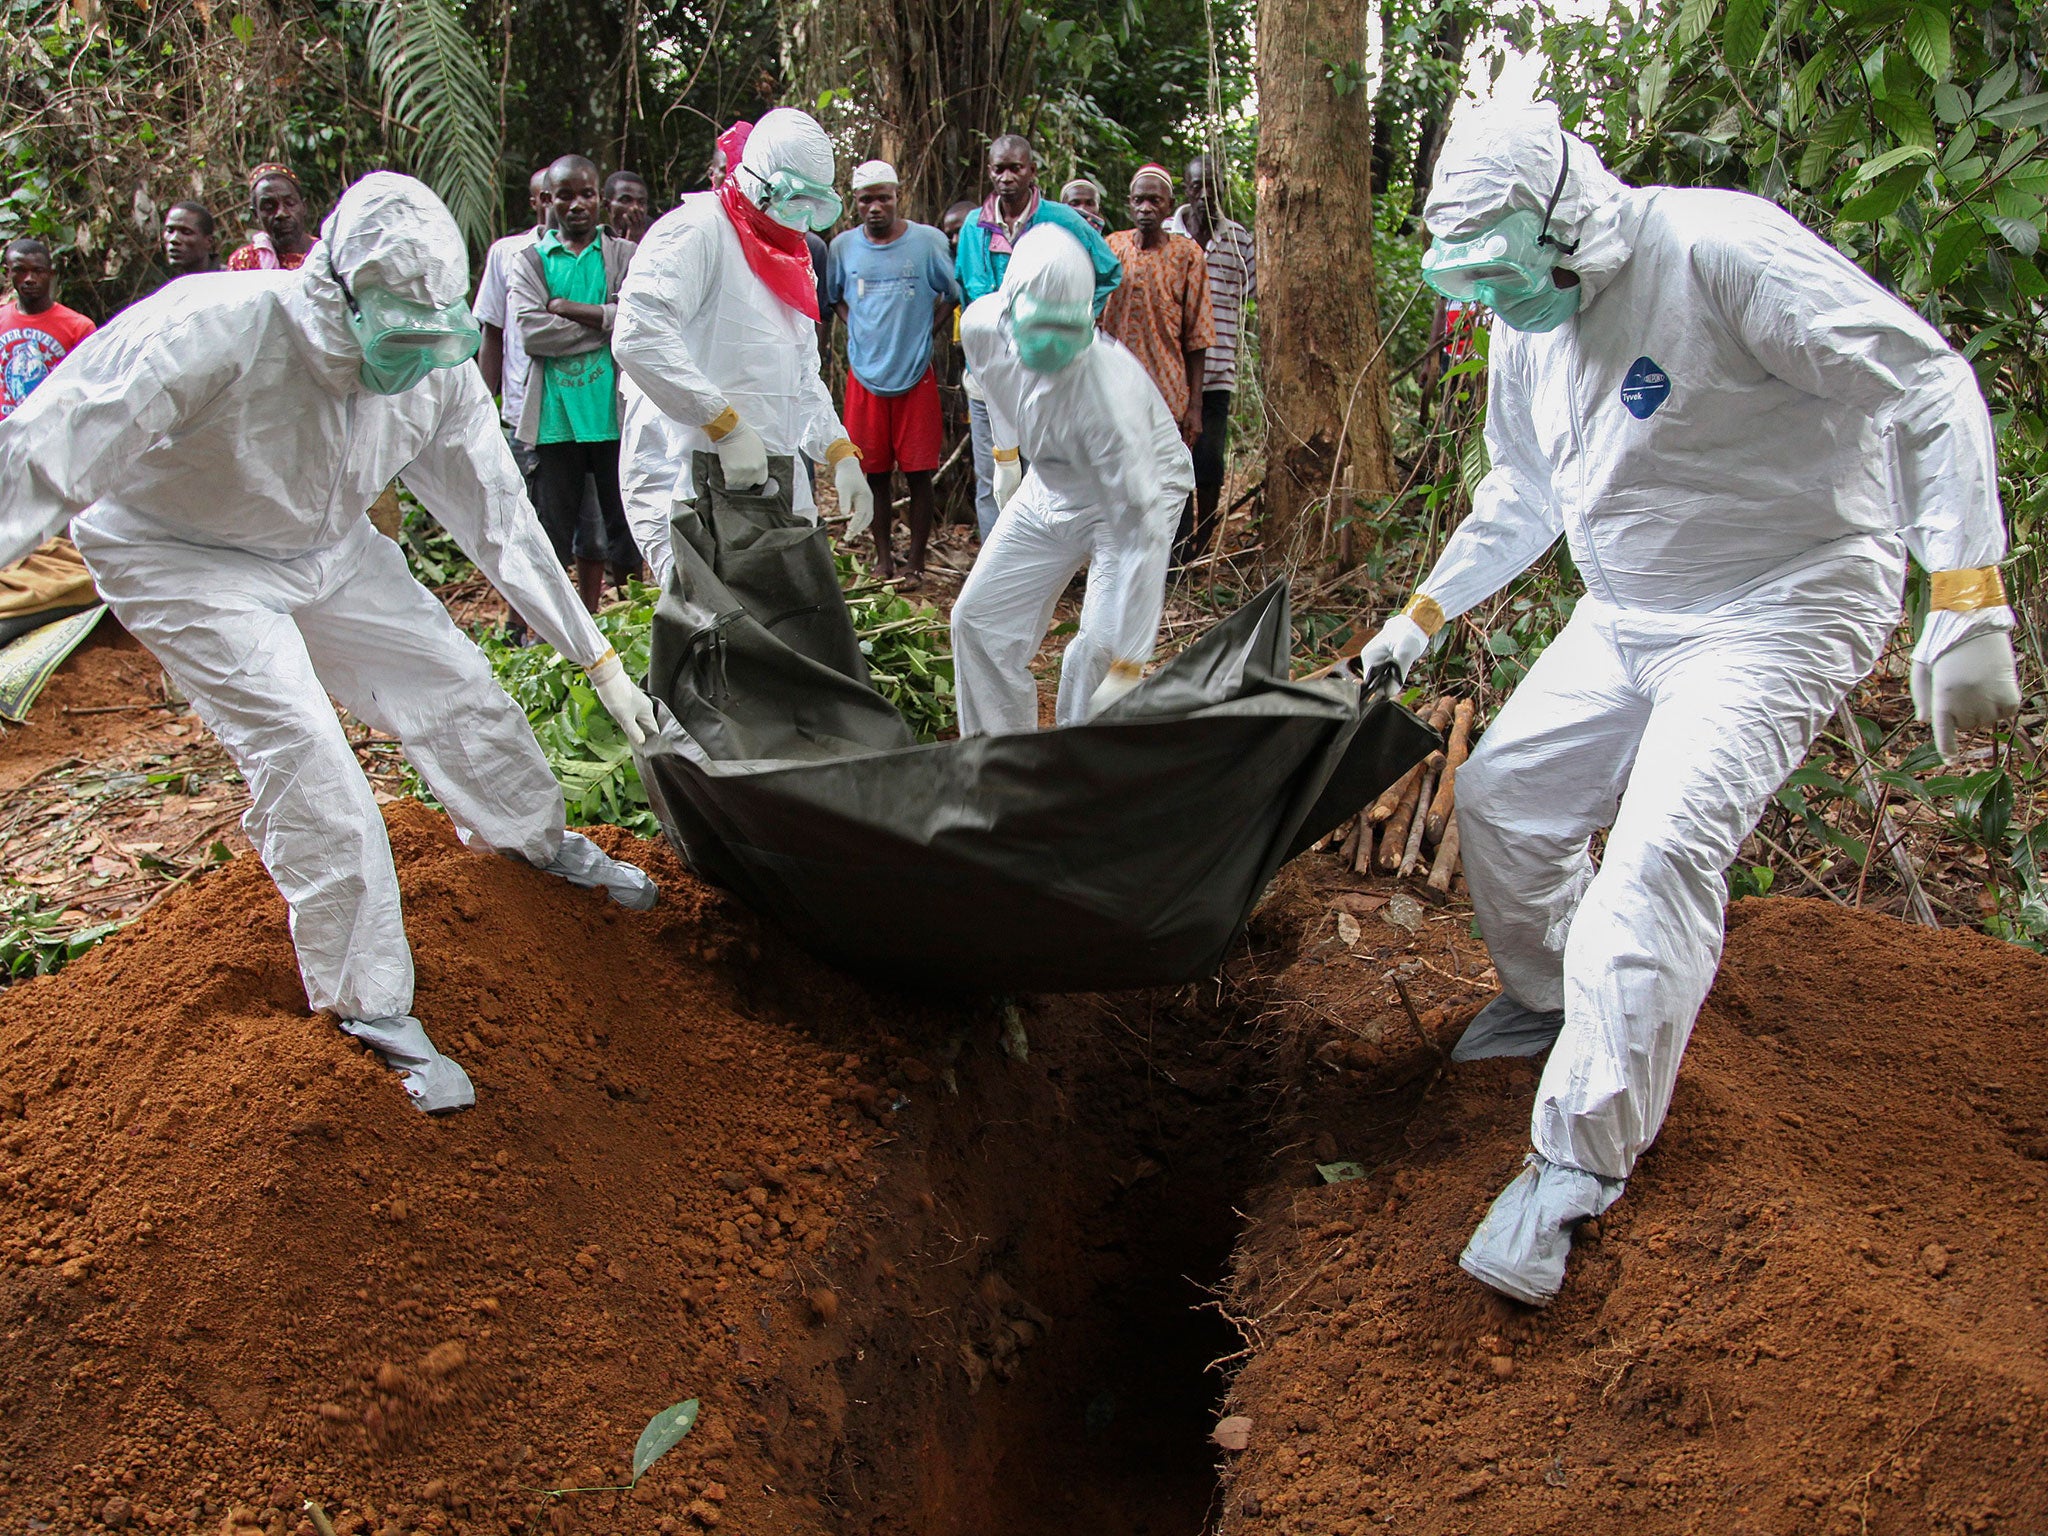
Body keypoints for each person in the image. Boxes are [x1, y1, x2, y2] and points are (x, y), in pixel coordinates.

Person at [1348, 102, 2022, 1307]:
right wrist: (1419, 617)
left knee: (1653, 857)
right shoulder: (1525, 326)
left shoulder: (1715, 252)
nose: (1501, 299)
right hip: (1625, 605)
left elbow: (1921, 381)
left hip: (1782, 595)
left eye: (1508, 269)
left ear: (1565, 221)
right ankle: (1552, 994)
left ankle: (1572, 1165)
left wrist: (1964, 595)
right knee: (1500, 800)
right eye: (1479, 280)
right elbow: (1520, 492)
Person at [0, 172, 661, 1115]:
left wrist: (597, 660)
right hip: (183, 557)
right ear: (335, 290)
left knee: (459, 685)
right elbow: (41, 452)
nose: (412, 359)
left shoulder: (429, 368)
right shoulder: (212, 327)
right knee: (307, 750)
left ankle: (535, 845)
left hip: (328, 547)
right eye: (394, 337)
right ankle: (370, 1009)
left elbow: (501, 520)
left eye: (430, 339)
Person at [612, 110, 873, 587]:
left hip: (770, 475)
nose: (804, 221)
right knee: (707, 618)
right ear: (758, 183)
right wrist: (724, 425)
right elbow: (638, 334)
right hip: (690, 469)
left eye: (816, 207)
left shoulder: (792, 256)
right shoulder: (695, 231)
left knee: (781, 614)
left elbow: (799, 373)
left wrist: (839, 452)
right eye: (796, 201)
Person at [949, 224, 1193, 735]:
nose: (1053, 347)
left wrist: (1129, 658)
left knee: (1096, 652)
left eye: (1069, 332)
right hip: (1051, 482)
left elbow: (1140, 536)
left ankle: (1075, 774)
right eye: (1040, 328)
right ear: (1009, 309)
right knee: (977, 619)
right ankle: (1002, 762)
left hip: (1132, 497)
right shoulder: (980, 326)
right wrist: (1005, 458)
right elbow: (996, 386)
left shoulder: (1107, 400)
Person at [955, 134, 1121, 542]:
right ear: (989, 172)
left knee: (1048, 474)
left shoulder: (1061, 220)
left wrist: (1072, 320)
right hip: (990, 380)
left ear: (1032, 170)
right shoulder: (974, 229)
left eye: (1016, 168)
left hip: (1047, 375)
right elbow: (969, 296)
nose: (1007, 177)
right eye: (999, 169)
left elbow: (1109, 271)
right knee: (993, 475)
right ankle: (996, 572)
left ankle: (1046, 564)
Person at [508, 154, 642, 609]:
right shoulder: (530, 260)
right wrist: (606, 322)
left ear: (599, 198)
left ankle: (634, 621)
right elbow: (531, 333)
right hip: (554, 421)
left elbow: (636, 321)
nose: (577, 204)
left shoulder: (624, 255)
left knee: (626, 533)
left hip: (614, 418)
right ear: (548, 200)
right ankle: (551, 634)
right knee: (552, 538)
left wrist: (569, 308)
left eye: (586, 193)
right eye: (565, 195)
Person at [826, 160, 961, 582]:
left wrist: (925, 332)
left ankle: (916, 561)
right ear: (855, 203)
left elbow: (951, 293)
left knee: (919, 471)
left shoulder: (928, 242)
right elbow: (833, 298)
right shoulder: (842, 249)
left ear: (897, 196)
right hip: (865, 375)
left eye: (884, 197)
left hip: (916, 373)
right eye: (867, 199)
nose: (876, 206)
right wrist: (862, 332)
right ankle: (883, 558)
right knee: (875, 473)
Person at [1165, 155, 1255, 564]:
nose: (1205, 194)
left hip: (1218, 373)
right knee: (1172, 461)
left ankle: (1203, 542)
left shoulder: (1240, 240)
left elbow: (1251, 295)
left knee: (1210, 462)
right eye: (1196, 185)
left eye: (1213, 185)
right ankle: (1177, 548)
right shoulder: (1167, 234)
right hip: (1169, 375)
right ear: (1185, 189)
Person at [1100, 164, 1212, 455]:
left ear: (1169, 206)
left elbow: (1198, 334)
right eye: (1139, 201)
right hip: (1114, 393)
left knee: (1168, 482)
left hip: (1166, 394)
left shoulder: (1187, 255)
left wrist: (1195, 407)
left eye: (1155, 201)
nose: (1146, 208)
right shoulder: (1112, 247)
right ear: (1130, 203)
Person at [474, 165, 554, 501]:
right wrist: (481, 404)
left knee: (589, 534)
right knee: (520, 512)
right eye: (547, 197)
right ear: (535, 202)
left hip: (575, 412)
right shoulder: (506, 253)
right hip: (520, 413)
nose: (556, 205)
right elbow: (493, 332)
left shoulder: (597, 253)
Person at [3, 239, 96, 423]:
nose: (30, 279)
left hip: (54, 434)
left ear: (51, 274)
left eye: (38, 271)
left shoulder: (78, 327)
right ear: (8, 273)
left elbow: (89, 390)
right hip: (5, 435)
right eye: (21, 271)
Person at [227, 164, 316, 271]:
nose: (281, 213)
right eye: (269, 207)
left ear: (304, 206)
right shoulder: (244, 262)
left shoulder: (327, 255)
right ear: (256, 215)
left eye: (290, 203)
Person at [161, 201, 219, 279]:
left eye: (186, 232)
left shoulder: (230, 281)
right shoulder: (170, 286)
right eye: (170, 231)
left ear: (209, 242)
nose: (173, 239)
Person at [603, 170, 653, 243]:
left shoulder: (658, 235)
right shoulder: (595, 238)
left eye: (641, 202)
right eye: (626, 201)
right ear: (607, 205)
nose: (635, 207)